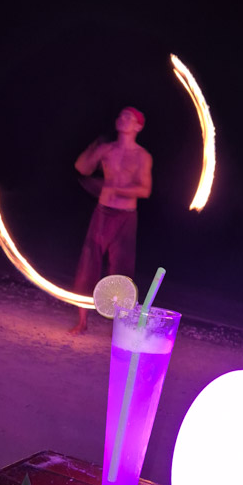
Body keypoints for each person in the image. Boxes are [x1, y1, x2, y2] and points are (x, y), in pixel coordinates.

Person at [70, 107, 152, 334]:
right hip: (102, 213)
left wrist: (115, 188)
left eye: (129, 117)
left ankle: (119, 327)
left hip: (126, 216)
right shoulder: (107, 149)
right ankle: (82, 322)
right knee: (88, 262)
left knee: (121, 271)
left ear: (138, 126)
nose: (123, 119)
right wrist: (93, 147)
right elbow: (82, 168)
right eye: (121, 116)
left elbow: (145, 190)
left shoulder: (142, 156)